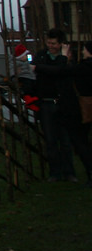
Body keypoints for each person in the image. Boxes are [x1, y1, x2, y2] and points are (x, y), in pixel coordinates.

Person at [34, 40, 92, 188]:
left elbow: (59, 71)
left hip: (81, 109)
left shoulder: (84, 67)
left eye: (85, 50)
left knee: (80, 143)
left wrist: (63, 57)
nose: (83, 52)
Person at [32, 28, 77, 182]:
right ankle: (55, 172)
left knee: (65, 140)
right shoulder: (41, 56)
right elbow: (56, 70)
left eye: (54, 43)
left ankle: (69, 172)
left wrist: (42, 68)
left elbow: (61, 71)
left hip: (63, 102)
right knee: (51, 140)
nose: (51, 46)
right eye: (49, 43)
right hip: (46, 102)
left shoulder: (69, 57)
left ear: (61, 44)